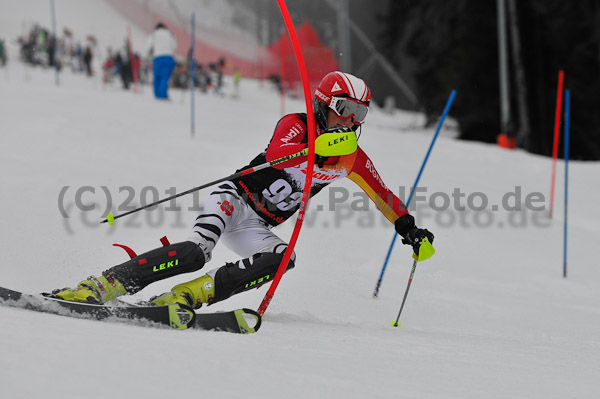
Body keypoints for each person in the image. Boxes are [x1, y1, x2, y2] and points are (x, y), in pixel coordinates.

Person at [52, 71, 434, 309]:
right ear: (321, 105)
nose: (350, 121)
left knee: (284, 258)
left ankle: (190, 295)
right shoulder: (298, 125)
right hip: (234, 199)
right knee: (195, 251)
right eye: (344, 108)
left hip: (257, 226)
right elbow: (278, 154)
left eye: (360, 113)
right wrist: (316, 151)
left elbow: (383, 195)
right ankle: (103, 284)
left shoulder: (352, 158)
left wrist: (409, 229)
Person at [145, 22, 177, 99]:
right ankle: (163, 95)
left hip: (157, 57)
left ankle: (157, 94)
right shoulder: (170, 34)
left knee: (157, 77)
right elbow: (174, 46)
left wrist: (150, 54)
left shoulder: (153, 34)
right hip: (168, 57)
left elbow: (148, 47)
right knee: (165, 77)